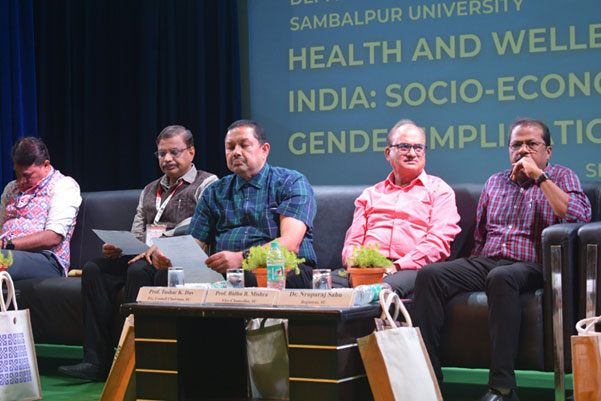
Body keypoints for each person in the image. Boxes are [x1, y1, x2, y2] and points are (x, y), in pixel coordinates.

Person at [413, 118, 592, 401]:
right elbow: (481, 235)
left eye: (532, 144)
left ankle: (502, 388)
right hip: (489, 260)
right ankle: (428, 377)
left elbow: (579, 216)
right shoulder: (495, 182)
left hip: (533, 264)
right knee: (430, 275)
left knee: (501, 277)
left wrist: (539, 177)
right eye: (516, 145)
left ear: (548, 151)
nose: (523, 150)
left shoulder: (561, 176)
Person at [59, 125, 217, 381]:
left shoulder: (207, 183)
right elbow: (138, 232)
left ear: (191, 152)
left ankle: (134, 361)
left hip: (179, 257)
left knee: (138, 270)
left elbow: (200, 224)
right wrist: (120, 247)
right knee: (95, 268)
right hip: (144, 255)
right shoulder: (150, 189)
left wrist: (163, 241)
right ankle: (95, 361)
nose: (167, 159)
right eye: (161, 154)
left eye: (174, 152)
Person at [150, 119, 317, 288]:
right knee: (166, 277)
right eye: (230, 147)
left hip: (281, 268)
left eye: (244, 145)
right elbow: (194, 244)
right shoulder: (214, 191)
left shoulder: (291, 182)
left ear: (264, 150)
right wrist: (169, 256)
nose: (236, 152)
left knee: (244, 279)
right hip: (226, 271)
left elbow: (290, 243)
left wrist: (241, 258)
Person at [341, 119, 460, 297]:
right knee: (324, 285)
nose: (412, 153)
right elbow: (353, 243)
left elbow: (437, 243)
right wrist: (356, 267)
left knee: (380, 290)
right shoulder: (370, 195)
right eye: (404, 147)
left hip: (411, 269)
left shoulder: (439, 191)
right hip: (366, 268)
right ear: (388, 153)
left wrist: (396, 266)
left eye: (418, 148)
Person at [0, 137, 81, 279]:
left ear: (46, 165)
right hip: (8, 254)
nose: (21, 181)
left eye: (27, 175)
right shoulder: (11, 188)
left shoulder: (63, 185)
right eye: (17, 174)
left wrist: (7, 245)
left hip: (46, 260)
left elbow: (52, 237)